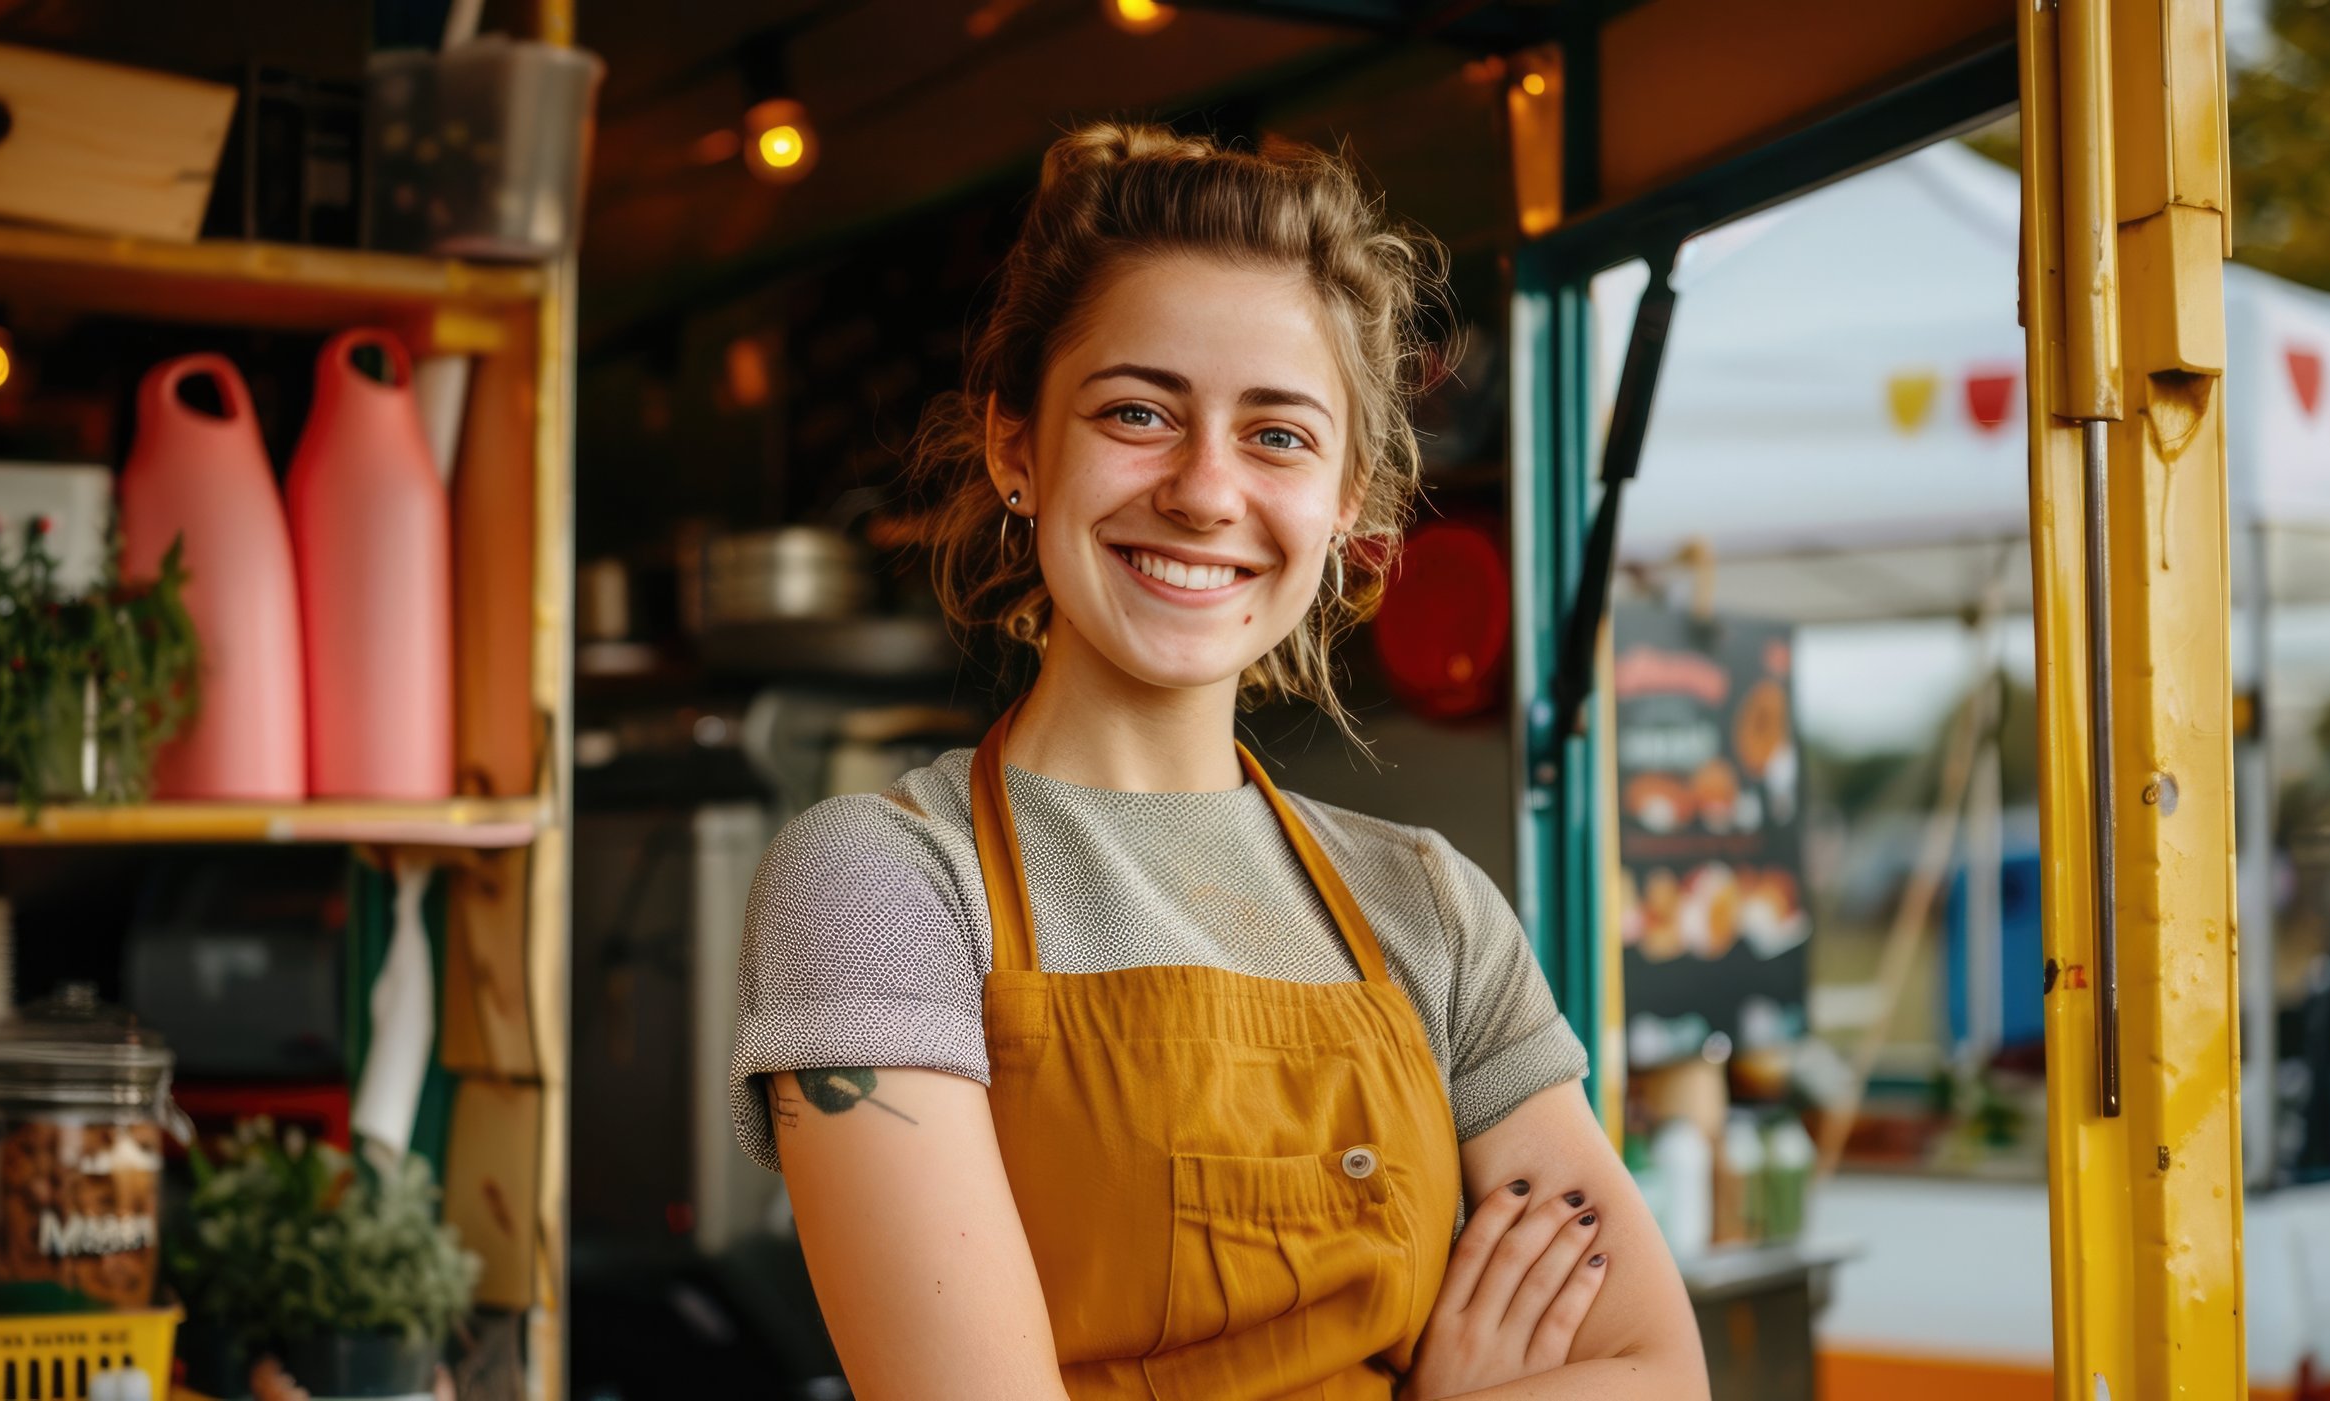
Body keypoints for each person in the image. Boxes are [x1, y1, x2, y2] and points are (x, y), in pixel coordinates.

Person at [729, 121, 1706, 1400]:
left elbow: (1652, 1372)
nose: (1203, 491)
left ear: (1347, 494)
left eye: (1279, 435)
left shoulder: (1434, 913)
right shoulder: (878, 885)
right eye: (1138, 412)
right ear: (1017, 448)